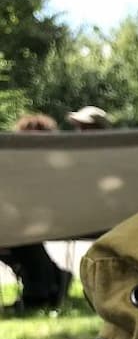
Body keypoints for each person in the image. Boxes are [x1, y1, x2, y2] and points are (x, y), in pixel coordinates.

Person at [0, 114, 72, 310]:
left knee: (20, 235)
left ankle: (39, 293)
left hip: (53, 217)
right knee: (16, 234)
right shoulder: (15, 163)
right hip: (22, 219)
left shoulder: (56, 162)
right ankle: (52, 280)